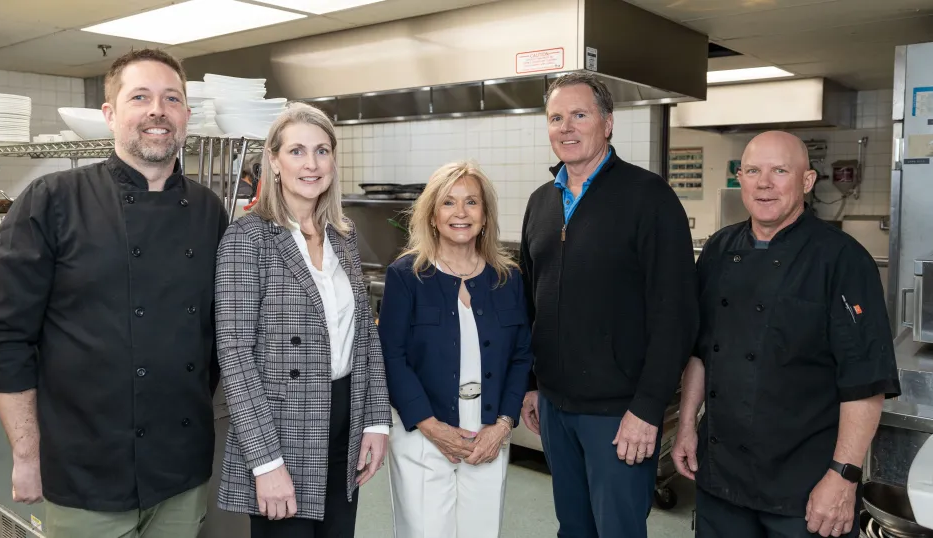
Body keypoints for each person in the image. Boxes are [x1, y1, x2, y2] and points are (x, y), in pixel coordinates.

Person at [0, 48, 226, 537]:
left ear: (186, 116)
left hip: (182, 469)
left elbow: (218, 333)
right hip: (84, 471)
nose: (158, 110)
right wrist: (26, 453)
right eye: (140, 97)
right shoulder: (52, 200)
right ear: (110, 115)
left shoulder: (208, 209)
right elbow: (5, 337)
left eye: (171, 98)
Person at [672, 131, 901, 538]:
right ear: (739, 178)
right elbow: (701, 352)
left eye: (780, 171)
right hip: (721, 477)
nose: (765, 183)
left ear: (807, 182)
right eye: (754, 171)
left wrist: (844, 475)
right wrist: (687, 425)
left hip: (807, 484)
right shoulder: (718, 250)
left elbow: (865, 380)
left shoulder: (842, 259)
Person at [518, 72, 699, 538]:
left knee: (617, 530)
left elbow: (676, 314)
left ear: (608, 123)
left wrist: (648, 407)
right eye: (556, 118)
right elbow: (531, 302)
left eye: (580, 115)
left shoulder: (648, 198)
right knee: (573, 528)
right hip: (557, 407)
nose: (566, 127)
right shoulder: (541, 202)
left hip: (620, 413)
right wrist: (533, 384)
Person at [214, 102, 392, 538]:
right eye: (296, 151)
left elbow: (364, 338)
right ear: (273, 161)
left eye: (322, 151)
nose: (311, 164)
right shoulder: (248, 237)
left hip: (343, 422)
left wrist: (375, 420)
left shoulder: (342, 235)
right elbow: (234, 354)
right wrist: (266, 461)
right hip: (282, 430)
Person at [378, 161, 534, 538]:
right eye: (448, 203)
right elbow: (391, 358)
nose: (460, 213)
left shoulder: (508, 278)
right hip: (422, 433)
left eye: (471, 202)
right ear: (432, 215)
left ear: (485, 215)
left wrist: (502, 425)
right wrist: (432, 428)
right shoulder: (406, 275)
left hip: (488, 434)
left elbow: (521, 356)